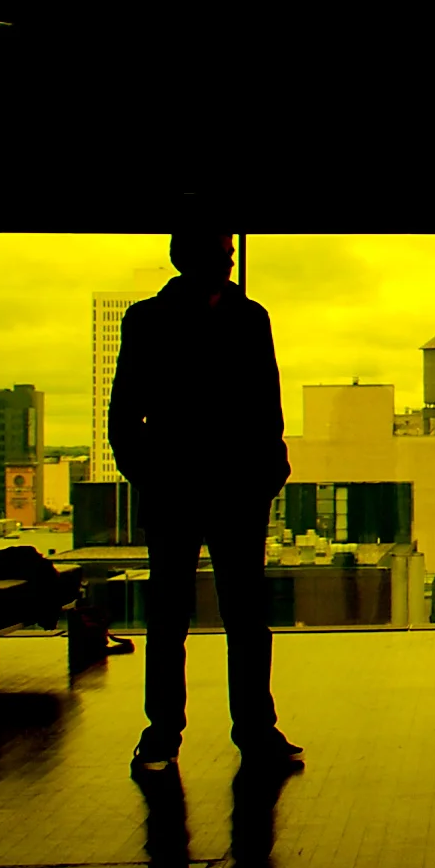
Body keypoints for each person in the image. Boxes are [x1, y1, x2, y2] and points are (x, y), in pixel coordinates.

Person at [109, 224, 301, 772]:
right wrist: (267, 468)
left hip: (203, 485)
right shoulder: (243, 316)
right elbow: (267, 402)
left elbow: (127, 412)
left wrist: (146, 470)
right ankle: (244, 731)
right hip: (216, 486)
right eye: (225, 252)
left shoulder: (157, 318)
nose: (231, 260)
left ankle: (168, 733)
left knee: (184, 616)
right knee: (226, 616)